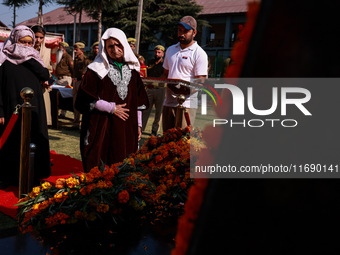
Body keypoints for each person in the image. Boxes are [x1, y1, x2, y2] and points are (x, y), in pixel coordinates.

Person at [75, 28, 149, 172]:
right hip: (101, 124)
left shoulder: (133, 71)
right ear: (105, 48)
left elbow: (138, 101)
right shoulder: (95, 70)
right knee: (98, 164)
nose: (115, 49)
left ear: (124, 45)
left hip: (126, 124)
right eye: (110, 46)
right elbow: (84, 99)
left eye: (118, 45)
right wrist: (111, 108)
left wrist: (138, 124)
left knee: (124, 165)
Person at [0, 25, 51, 188]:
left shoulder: (34, 58)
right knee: (12, 142)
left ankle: (32, 175)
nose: (26, 46)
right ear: (15, 40)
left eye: (30, 43)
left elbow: (45, 75)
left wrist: (28, 57)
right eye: (23, 42)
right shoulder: (4, 59)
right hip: (11, 109)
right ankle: (8, 177)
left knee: (32, 141)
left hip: (33, 110)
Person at [162, 16, 208, 131]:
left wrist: (181, 91)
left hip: (187, 104)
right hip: (168, 102)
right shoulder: (170, 50)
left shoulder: (199, 53)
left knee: (182, 142)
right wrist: (154, 83)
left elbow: (200, 82)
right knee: (165, 141)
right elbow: (165, 75)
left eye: (186, 31)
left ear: (194, 32)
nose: (181, 34)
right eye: (179, 30)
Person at [31, 25, 53, 127]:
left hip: (43, 89)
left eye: (41, 37)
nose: (38, 40)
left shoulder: (47, 51)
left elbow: (50, 71)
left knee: (41, 121)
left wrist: (48, 81)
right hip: (29, 87)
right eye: (36, 36)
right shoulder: (25, 50)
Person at [142, 45, 166, 136]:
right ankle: (141, 128)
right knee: (146, 110)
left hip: (160, 89)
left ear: (163, 54)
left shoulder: (165, 64)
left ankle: (154, 131)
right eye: (156, 52)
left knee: (158, 112)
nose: (157, 54)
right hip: (150, 89)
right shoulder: (150, 62)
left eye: (159, 52)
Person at [72, 42, 91, 129]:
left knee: (81, 103)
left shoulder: (86, 60)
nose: (75, 51)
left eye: (77, 49)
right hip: (75, 82)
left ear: (82, 50)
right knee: (75, 103)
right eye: (74, 49)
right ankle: (75, 123)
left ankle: (83, 124)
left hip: (81, 82)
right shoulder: (76, 59)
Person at [55, 41, 74, 118]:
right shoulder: (59, 57)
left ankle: (63, 113)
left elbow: (72, 68)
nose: (58, 48)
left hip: (65, 79)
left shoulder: (68, 57)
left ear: (64, 48)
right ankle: (58, 112)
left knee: (64, 97)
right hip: (59, 79)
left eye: (60, 47)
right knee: (58, 96)